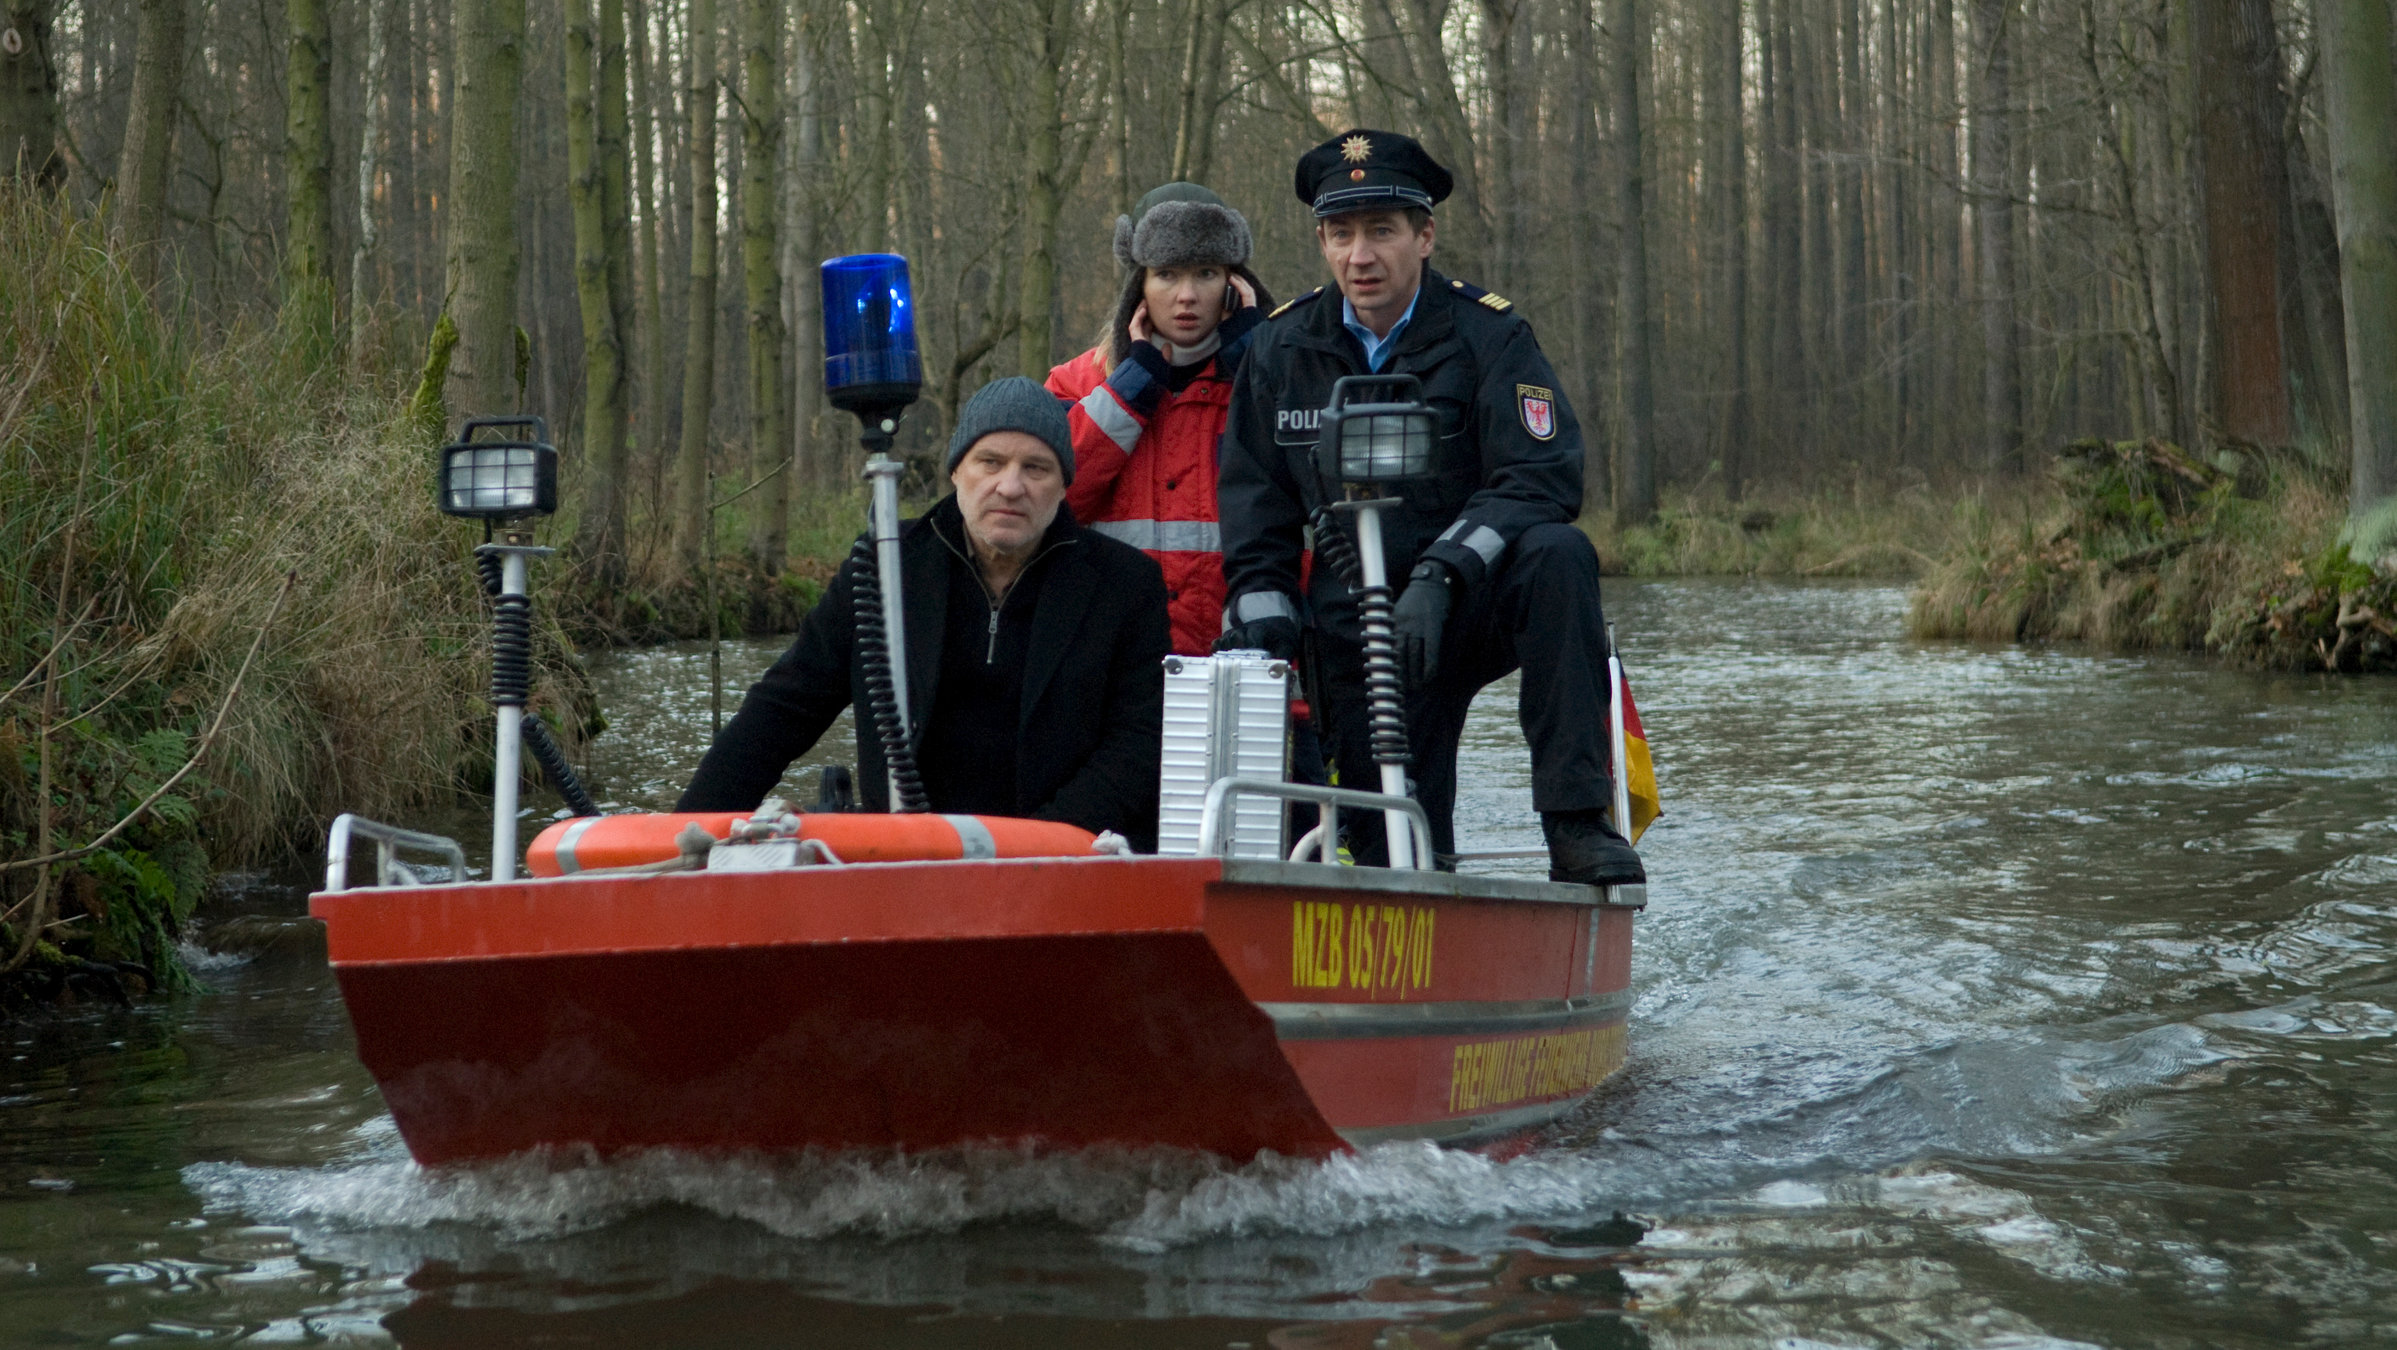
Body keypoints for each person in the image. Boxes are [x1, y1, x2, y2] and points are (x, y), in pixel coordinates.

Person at [1213, 129, 1644, 886]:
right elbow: (1253, 504)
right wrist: (1265, 609)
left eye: (1381, 231)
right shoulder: (1279, 351)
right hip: (1357, 628)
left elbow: (1541, 476)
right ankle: (1413, 881)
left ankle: (1576, 824)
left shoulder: (1490, 335)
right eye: (1341, 234)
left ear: (1423, 235)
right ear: (1320, 240)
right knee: (1397, 856)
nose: (1361, 256)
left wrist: (1446, 571)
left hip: (1474, 598)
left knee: (1557, 556)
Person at [679, 378, 1170, 850]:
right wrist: (685, 827)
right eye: (990, 462)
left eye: (1036, 468)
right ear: (956, 470)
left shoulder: (1125, 586)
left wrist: (1032, 846)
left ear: (1064, 483)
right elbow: (784, 708)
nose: (1010, 486)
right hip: (907, 857)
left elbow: (1136, 748)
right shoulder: (886, 566)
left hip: (1061, 856)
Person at [1047, 183, 1274, 656]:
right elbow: (1052, 501)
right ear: (1139, 286)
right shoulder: (1075, 384)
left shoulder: (1283, 377)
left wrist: (1259, 369)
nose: (1187, 296)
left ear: (1235, 288)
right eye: (1167, 274)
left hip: (1246, 664)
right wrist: (1130, 389)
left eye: (1206, 273)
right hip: (1118, 671)